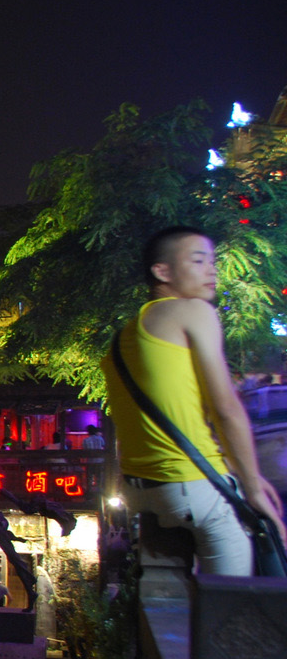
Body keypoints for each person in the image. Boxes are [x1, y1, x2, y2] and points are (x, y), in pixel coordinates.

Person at [101, 226, 285, 575]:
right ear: (162, 271)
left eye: (212, 262)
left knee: (174, 598)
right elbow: (226, 409)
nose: (211, 270)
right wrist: (252, 487)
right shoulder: (193, 311)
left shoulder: (122, 338)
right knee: (233, 598)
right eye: (198, 260)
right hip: (192, 484)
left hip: (141, 491)